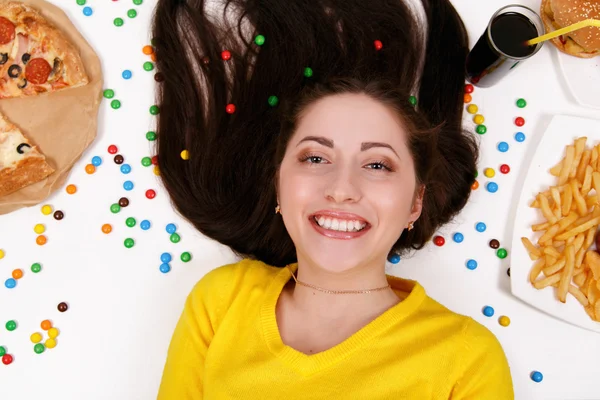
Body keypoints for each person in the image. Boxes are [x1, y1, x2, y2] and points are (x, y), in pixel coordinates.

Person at [152, 0, 513, 398]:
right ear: (279, 185)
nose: (341, 188)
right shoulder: (220, 302)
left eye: (378, 165)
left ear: (415, 203)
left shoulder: (467, 359)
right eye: (316, 157)